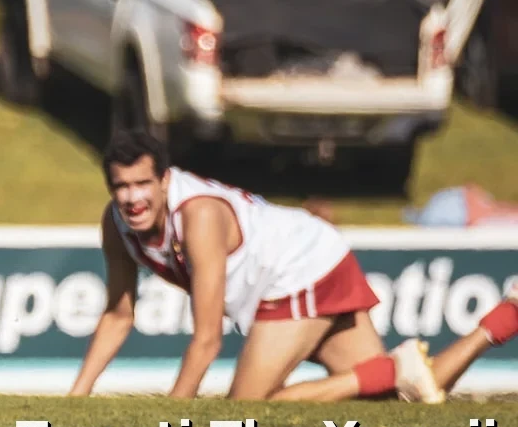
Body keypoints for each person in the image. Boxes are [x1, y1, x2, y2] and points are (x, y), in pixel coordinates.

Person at [71, 131, 518, 401]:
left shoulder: (198, 216)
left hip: (299, 270)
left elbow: (206, 339)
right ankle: (505, 318)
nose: (132, 198)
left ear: (165, 180)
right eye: (121, 187)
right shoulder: (117, 225)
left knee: (248, 412)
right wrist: (78, 396)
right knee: (395, 395)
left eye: (142, 184)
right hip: (311, 257)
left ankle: (391, 369)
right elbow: (117, 314)